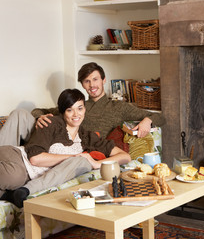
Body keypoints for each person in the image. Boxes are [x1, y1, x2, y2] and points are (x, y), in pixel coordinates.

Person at [0, 89, 131, 208]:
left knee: (83, 162)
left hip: (27, 176)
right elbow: (35, 159)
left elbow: (125, 156)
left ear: (84, 109)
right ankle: (18, 192)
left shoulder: (87, 137)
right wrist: (73, 157)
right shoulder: (52, 123)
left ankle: (11, 194)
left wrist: (96, 164)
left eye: (80, 108)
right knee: (14, 177)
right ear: (63, 112)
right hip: (17, 159)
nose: (76, 114)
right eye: (70, 110)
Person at [0, 62, 166, 146]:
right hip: (51, 136)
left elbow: (161, 117)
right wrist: (40, 116)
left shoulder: (118, 107)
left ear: (103, 80)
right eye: (87, 81)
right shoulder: (77, 105)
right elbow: (38, 110)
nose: (92, 85)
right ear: (83, 84)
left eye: (95, 80)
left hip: (69, 147)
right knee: (19, 114)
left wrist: (147, 120)